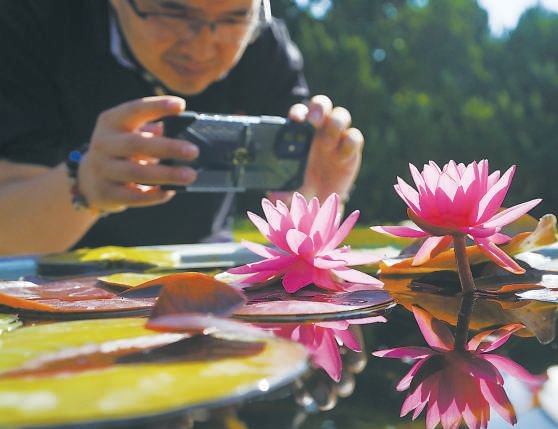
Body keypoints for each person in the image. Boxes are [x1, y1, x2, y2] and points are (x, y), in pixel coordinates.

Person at [0, 0, 363, 255]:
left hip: (206, 281)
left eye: (235, 16)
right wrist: (84, 185)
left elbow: (296, 250)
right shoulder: (32, 22)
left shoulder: (264, 44)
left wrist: (316, 201)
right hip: (56, 295)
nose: (204, 46)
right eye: (172, 11)